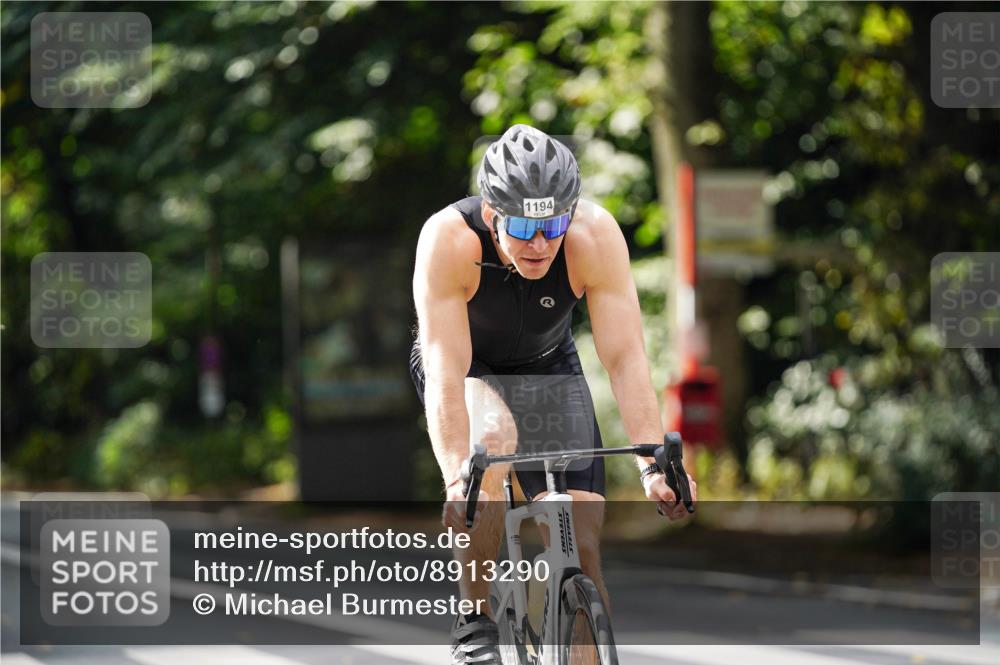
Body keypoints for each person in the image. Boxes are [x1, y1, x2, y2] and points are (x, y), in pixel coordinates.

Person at [410, 124, 697, 664]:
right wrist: (457, 477)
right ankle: (476, 620)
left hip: (547, 368)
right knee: (493, 439)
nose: (539, 244)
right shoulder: (449, 240)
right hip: (468, 367)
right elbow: (447, 370)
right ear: (493, 214)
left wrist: (652, 462)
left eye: (552, 225)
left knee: (583, 549)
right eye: (521, 227)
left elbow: (625, 356)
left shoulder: (593, 236)